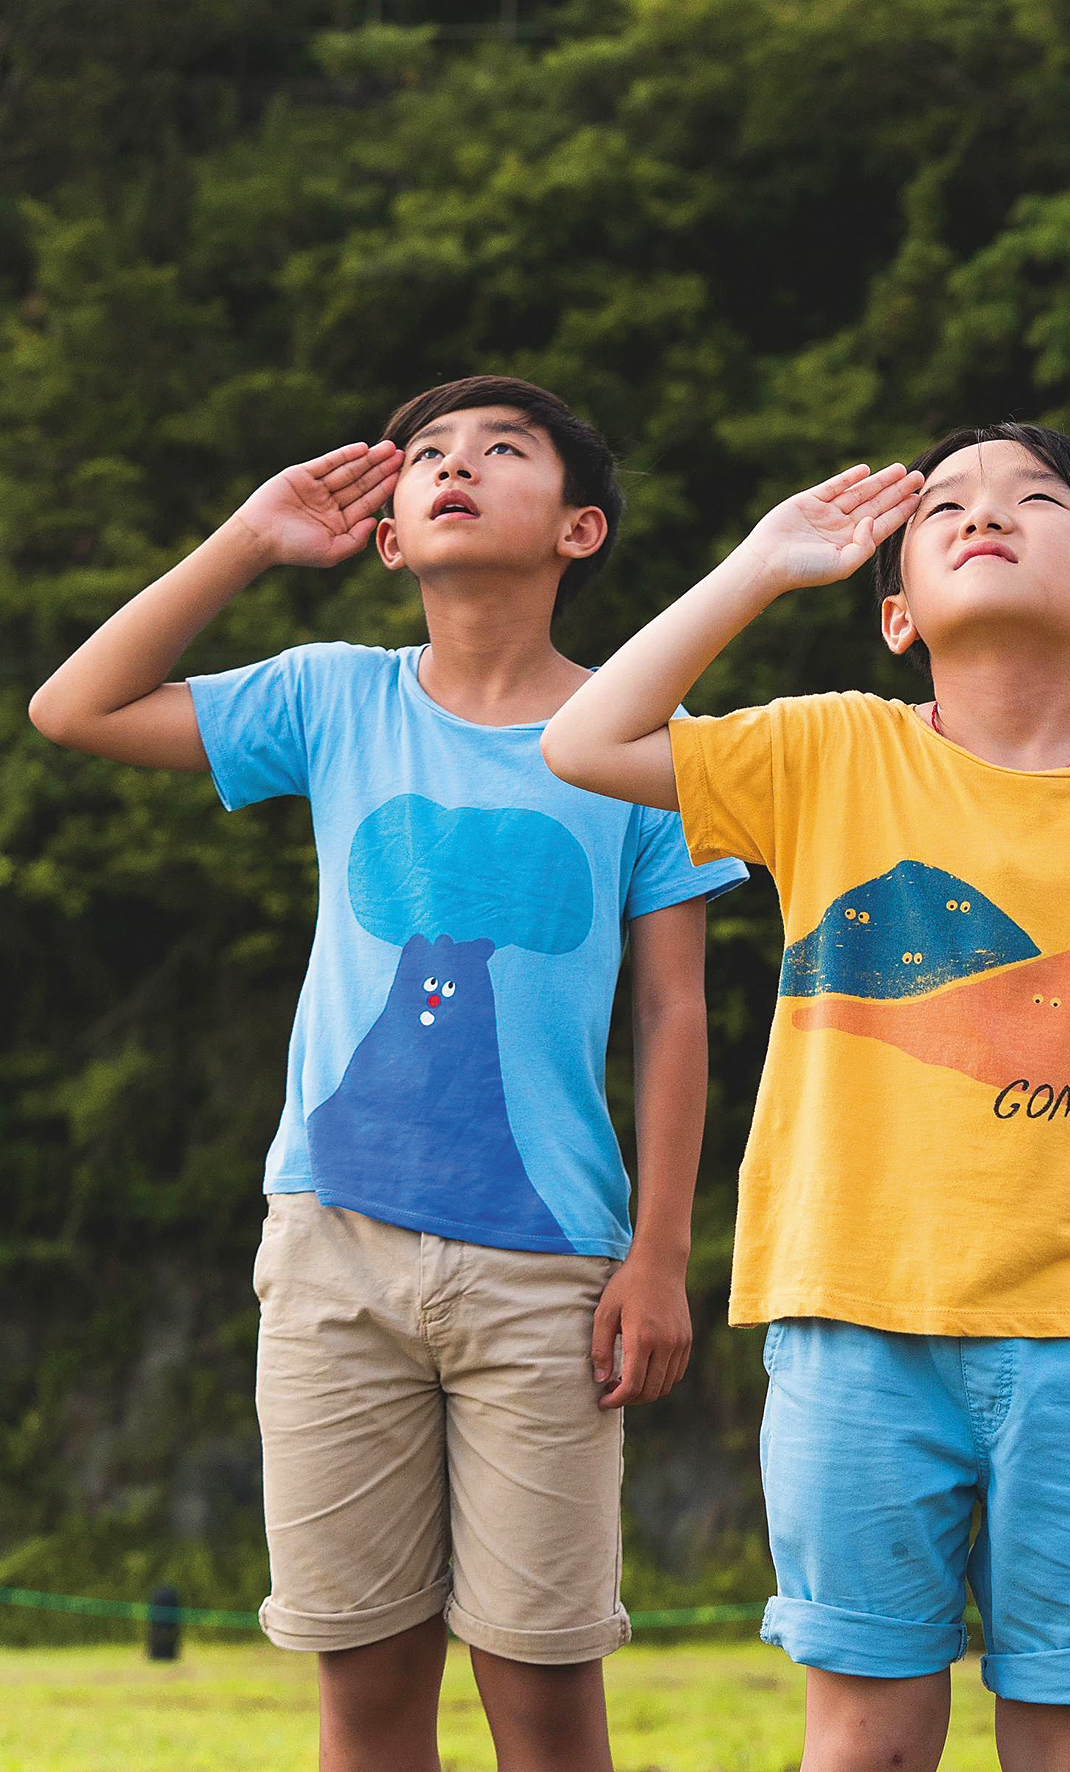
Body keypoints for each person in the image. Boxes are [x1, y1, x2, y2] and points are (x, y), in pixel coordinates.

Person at [540, 423, 1070, 1772]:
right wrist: (761, 569)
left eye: (1035, 497)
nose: (980, 512)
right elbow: (585, 739)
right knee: (867, 1732)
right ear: (895, 615)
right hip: (852, 1319)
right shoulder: (828, 749)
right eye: (942, 503)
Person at [27, 375, 743, 1772]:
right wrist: (246, 539)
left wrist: (660, 1257)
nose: (453, 466)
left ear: (579, 530)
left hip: (551, 1277)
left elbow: (673, 1017)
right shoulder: (331, 698)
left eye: (502, 451)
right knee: (363, 1698)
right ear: (392, 534)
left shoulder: (642, 744)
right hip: (332, 1253)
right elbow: (74, 708)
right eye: (426, 458)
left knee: (543, 1700)